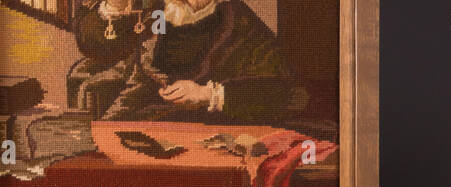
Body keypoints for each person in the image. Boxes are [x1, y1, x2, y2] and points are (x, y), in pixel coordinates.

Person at [72, 0, 296, 123]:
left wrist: (207, 94)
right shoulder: (161, 14)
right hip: (150, 123)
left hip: (213, 126)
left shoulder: (237, 20)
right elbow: (132, 65)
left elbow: (280, 91)